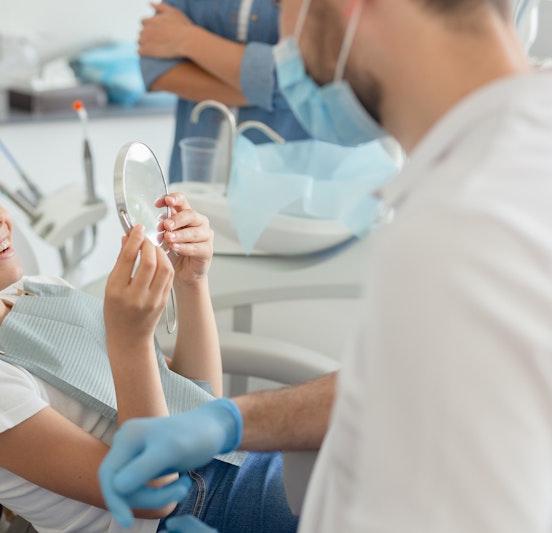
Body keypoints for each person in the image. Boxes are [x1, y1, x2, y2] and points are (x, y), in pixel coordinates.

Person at [101, 0, 552, 531]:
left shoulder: (454, 232)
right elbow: (406, 381)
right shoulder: (511, 156)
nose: (280, 42)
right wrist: (232, 421)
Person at [0, 143, 299, 533]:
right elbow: (150, 495)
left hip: (229, 465)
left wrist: (191, 283)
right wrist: (129, 343)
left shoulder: (41, 292)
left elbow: (194, 401)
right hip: (191, 511)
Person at [138, 0, 309, 182]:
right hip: (194, 178)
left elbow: (302, 78)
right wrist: (265, 87)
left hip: (284, 181)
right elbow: (155, 66)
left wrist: (185, 38)